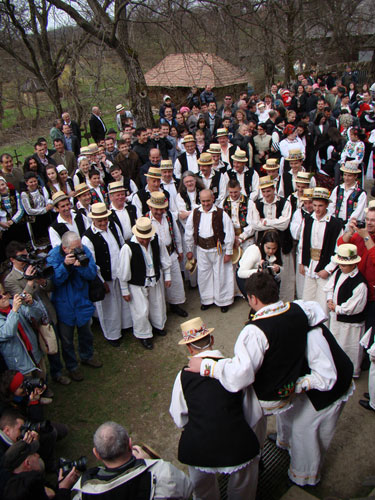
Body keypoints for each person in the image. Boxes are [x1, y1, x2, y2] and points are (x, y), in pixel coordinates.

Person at [186, 272, 329, 447]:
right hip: (293, 385)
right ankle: (284, 441)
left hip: (267, 397)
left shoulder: (254, 332)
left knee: (251, 425)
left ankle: (255, 454)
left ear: (253, 299)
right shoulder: (300, 309)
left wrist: (207, 366)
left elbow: (240, 376)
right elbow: (320, 314)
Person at [170, 317, 260, 500]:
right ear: (212, 340)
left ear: (189, 348)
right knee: (243, 486)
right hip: (237, 444)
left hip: (199, 446)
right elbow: (252, 412)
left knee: (202, 489)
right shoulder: (234, 370)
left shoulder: (183, 376)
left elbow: (179, 416)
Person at [4, 241, 70, 385]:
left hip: (48, 313)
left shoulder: (34, 267)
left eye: (26, 255)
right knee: (38, 354)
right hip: (32, 321)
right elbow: (21, 300)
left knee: (55, 345)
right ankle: (41, 384)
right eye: (22, 257)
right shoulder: (10, 280)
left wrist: (42, 282)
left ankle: (57, 373)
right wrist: (29, 281)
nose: (26, 260)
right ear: (12, 260)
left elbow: (50, 287)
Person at [72, 421, 193, 499]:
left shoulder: (84, 493)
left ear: (97, 454)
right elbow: (187, 489)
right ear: (130, 444)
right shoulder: (163, 472)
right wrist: (149, 463)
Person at [47, 231, 102, 381]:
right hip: (64, 305)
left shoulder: (84, 250)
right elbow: (53, 282)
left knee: (86, 333)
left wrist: (80, 266)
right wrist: (66, 266)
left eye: (79, 247)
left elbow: (91, 274)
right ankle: (72, 366)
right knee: (67, 340)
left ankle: (87, 356)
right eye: (74, 248)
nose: (79, 250)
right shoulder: (53, 257)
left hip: (82, 301)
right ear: (65, 249)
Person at [82, 203, 132, 347]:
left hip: (120, 272)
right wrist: (102, 281)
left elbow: (122, 245)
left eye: (105, 219)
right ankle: (112, 334)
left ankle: (125, 325)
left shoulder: (113, 226)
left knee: (123, 302)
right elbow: (92, 263)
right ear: (93, 221)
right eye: (100, 221)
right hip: (105, 276)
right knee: (108, 307)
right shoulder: (88, 238)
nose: (103, 223)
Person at [118, 217, 171, 350]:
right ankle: (144, 335)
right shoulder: (127, 248)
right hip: (137, 284)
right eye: (142, 238)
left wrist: (167, 276)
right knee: (140, 311)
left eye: (147, 237)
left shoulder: (156, 240)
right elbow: (124, 271)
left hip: (154, 280)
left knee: (157, 304)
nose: (145, 241)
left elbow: (164, 257)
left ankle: (158, 326)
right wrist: (125, 290)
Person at [185, 189, 235, 313]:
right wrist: (189, 249)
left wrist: (228, 252)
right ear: (200, 201)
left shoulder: (221, 213)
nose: (206, 204)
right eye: (203, 201)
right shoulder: (195, 213)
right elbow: (189, 232)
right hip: (201, 249)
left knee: (221, 274)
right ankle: (207, 300)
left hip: (218, 250)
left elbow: (229, 232)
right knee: (204, 275)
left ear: (213, 199)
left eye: (208, 201)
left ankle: (223, 300)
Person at [324, 244, 367, 377]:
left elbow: (355, 305)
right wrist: (330, 299)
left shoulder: (360, 283)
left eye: (344, 265)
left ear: (353, 264)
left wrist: (339, 308)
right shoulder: (338, 273)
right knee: (336, 343)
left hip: (350, 322)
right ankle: (338, 368)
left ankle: (351, 371)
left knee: (349, 347)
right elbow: (330, 287)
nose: (341, 267)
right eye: (340, 264)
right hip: (337, 318)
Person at [298, 187, 343, 314]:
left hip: (324, 267)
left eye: (321, 206)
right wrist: (302, 261)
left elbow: (338, 250)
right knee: (307, 300)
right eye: (315, 205)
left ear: (327, 205)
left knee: (322, 304)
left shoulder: (335, 225)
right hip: (310, 265)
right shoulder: (308, 219)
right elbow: (303, 242)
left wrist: (328, 269)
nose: (317, 209)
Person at [147, 192, 187, 318]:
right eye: (156, 209)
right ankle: (161, 311)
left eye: (161, 209)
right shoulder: (146, 220)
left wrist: (179, 250)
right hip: (156, 258)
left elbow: (176, 232)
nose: (159, 212)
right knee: (159, 285)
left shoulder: (168, 216)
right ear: (150, 207)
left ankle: (175, 305)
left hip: (171, 253)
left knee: (175, 281)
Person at [2, 440, 79, 500]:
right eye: (34, 454)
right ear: (27, 463)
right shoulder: (28, 488)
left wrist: (60, 484)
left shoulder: (15, 481)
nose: (38, 455)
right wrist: (64, 489)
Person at [0, 284, 44, 376]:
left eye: (5, 293)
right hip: (19, 363)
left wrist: (32, 304)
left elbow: (37, 317)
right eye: (0, 296)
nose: (4, 297)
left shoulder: (14, 304)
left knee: (42, 377)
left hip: (34, 353)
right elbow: (8, 332)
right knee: (28, 387)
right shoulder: (15, 307)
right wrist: (14, 311)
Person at [236, 230, 282, 297]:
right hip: (245, 278)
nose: (271, 251)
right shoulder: (255, 251)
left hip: (259, 277)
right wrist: (258, 271)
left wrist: (277, 270)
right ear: (263, 244)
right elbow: (240, 273)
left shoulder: (274, 254)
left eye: (274, 248)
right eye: (268, 248)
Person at [328, 160, 367, 224]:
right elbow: (331, 206)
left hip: (351, 226)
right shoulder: (338, 189)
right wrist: (334, 221)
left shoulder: (361, 194)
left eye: (349, 176)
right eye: (345, 175)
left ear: (355, 176)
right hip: (336, 224)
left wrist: (348, 224)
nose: (346, 178)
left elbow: (359, 212)